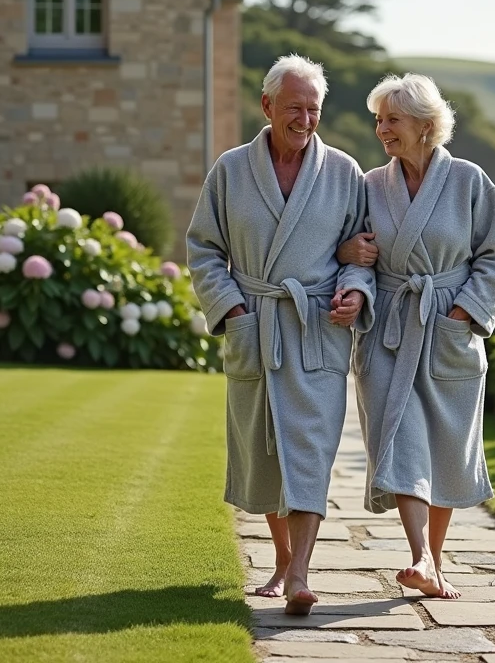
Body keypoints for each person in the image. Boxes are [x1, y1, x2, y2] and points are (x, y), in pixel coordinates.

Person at [187, 54, 375, 615]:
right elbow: (203, 248)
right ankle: (278, 558)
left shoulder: (343, 172)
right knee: (267, 450)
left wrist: (354, 290)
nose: (305, 119)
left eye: (313, 109)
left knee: (311, 449)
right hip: (258, 324)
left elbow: (362, 251)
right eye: (294, 107)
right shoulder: (230, 170)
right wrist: (234, 309)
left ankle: (300, 573)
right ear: (267, 105)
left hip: (316, 326)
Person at [336, 73, 495, 599]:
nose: (381, 129)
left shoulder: (469, 182)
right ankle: (419, 557)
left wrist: (465, 310)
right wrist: (354, 283)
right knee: (403, 441)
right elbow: (357, 254)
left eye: (392, 119)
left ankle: (433, 563)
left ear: (425, 124)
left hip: (448, 328)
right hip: (389, 329)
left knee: (441, 450)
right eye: (378, 119)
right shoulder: (370, 186)